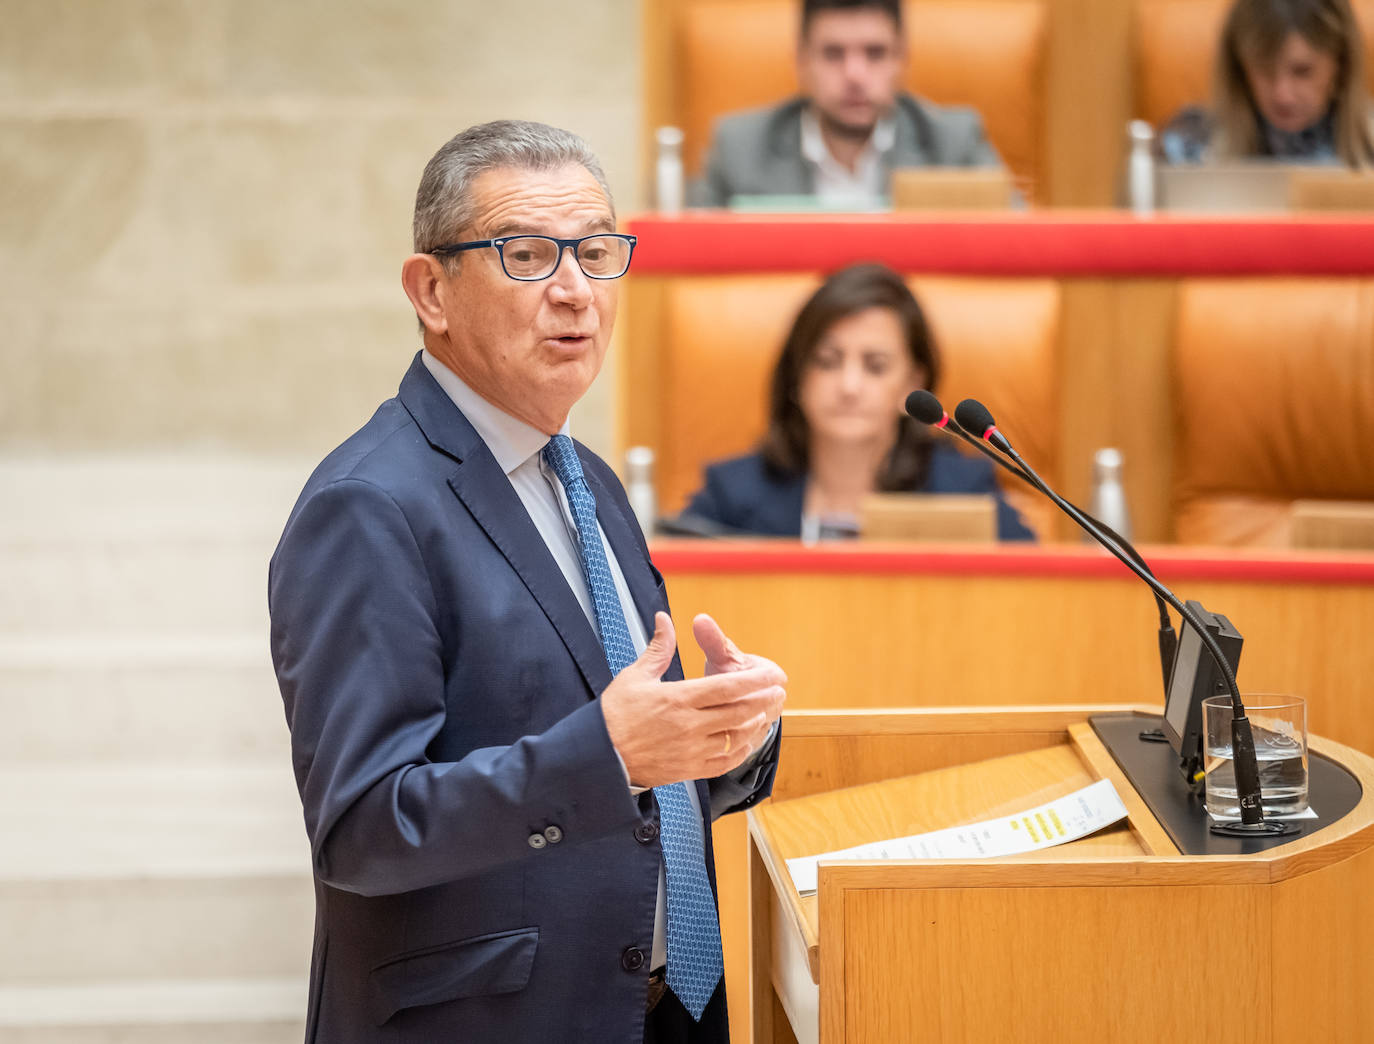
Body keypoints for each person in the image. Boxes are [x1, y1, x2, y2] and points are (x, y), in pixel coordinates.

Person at [268, 120, 787, 1043]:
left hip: (655, 1010)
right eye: (527, 255)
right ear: (432, 290)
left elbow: (622, 780)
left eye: (595, 253)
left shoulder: (587, 480)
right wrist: (611, 753)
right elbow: (362, 828)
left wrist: (721, 743)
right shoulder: (369, 505)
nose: (575, 293)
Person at [682, 263, 1034, 542]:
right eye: (827, 361)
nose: (849, 386)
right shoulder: (730, 497)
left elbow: (1030, 598)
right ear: (797, 376)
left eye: (875, 366)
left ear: (913, 385)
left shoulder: (963, 494)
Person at [695, 0, 1004, 208]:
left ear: (901, 59)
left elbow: (1012, 247)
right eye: (833, 54)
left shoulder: (954, 144)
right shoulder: (739, 147)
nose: (855, 75)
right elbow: (689, 261)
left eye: (875, 53)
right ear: (802, 62)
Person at [1160, 0, 1374, 167]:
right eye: (1264, 69)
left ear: (1342, 65)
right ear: (1240, 67)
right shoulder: (1186, 147)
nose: (1283, 95)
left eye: (1302, 71)